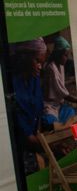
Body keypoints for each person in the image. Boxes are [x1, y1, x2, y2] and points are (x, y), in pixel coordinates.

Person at [11, 38, 48, 173]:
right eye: (37, 61)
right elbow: (23, 130)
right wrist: (49, 148)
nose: (40, 67)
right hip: (19, 147)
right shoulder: (11, 85)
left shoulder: (34, 78)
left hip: (34, 140)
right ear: (24, 57)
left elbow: (38, 110)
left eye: (42, 63)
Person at [42, 36, 77, 130]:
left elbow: (59, 84)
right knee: (49, 122)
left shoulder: (60, 66)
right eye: (65, 55)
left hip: (58, 105)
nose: (67, 58)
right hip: (49, 105)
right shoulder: (50, 68)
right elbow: (63, 93)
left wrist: (70, 81)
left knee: (70, 112)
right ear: (57, 54)